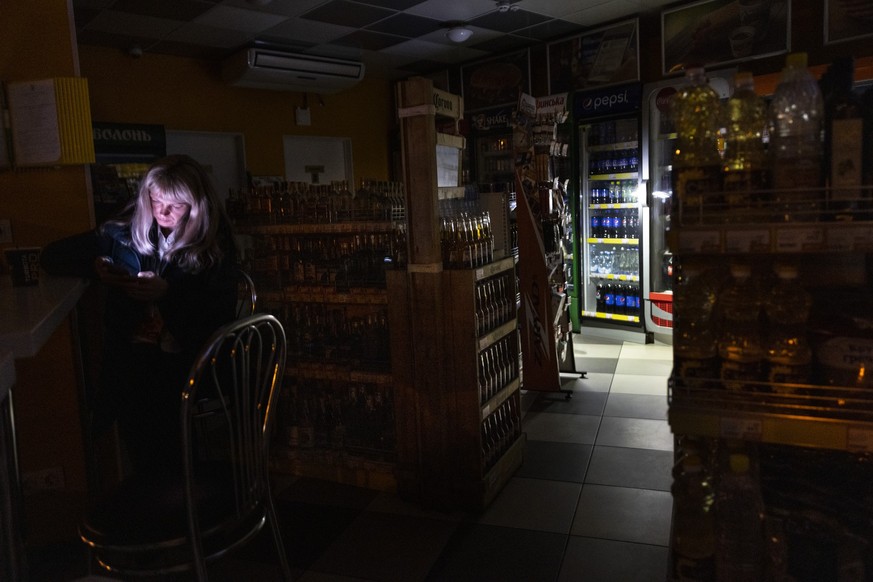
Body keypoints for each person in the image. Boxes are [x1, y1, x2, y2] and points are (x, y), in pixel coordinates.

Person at [41, 154, 239, 475]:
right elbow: (53, 256)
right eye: (156, 200)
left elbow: (217, 315)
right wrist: (97, 267)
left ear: (196, 205)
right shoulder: (127, 227)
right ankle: (160, 485)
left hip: (195, 357)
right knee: (132, 377)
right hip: (140, 354)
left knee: (137, 386)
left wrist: (168, 293)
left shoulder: (214, 242)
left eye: (175, 206)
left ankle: (165, 487)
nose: (162, 212)